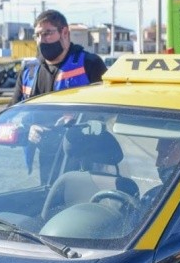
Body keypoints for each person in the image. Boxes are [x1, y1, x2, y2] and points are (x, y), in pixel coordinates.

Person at [10, 9, 108, 183]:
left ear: (64, 33)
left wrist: (77, 119)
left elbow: (109, 112)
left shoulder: (90, 64)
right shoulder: (28, 72)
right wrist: (28, 131)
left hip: (86, 160)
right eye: (38, 35)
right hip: (46, 161)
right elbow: (11, 116)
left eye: (47, 33)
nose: (42, 40)